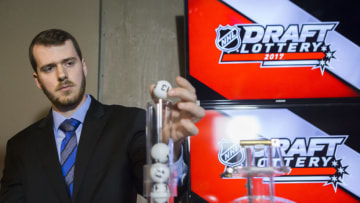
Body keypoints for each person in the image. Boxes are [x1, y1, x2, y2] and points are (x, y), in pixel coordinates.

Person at [0, 29, 205, 203]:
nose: (62, 75)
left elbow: (160, 193)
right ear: (37, 80)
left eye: (69, 63)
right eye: (49, 68)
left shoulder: (129, 123)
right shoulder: (20, 147)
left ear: (84, 66)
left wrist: (171, 147)